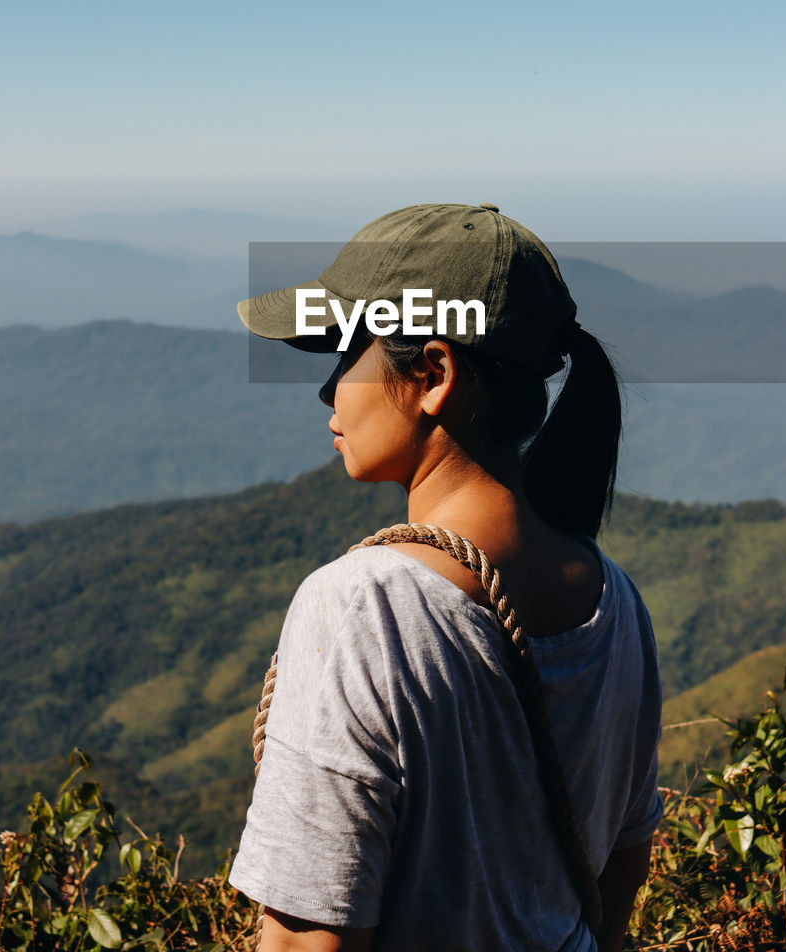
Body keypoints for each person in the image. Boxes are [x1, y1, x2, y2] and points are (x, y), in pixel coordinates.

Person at [229, 202, 663, 952]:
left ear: (433, 373)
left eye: (347, 354)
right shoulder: (613, 598)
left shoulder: (364, 606)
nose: (329, 390)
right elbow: (618, 881)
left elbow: (306, 940)